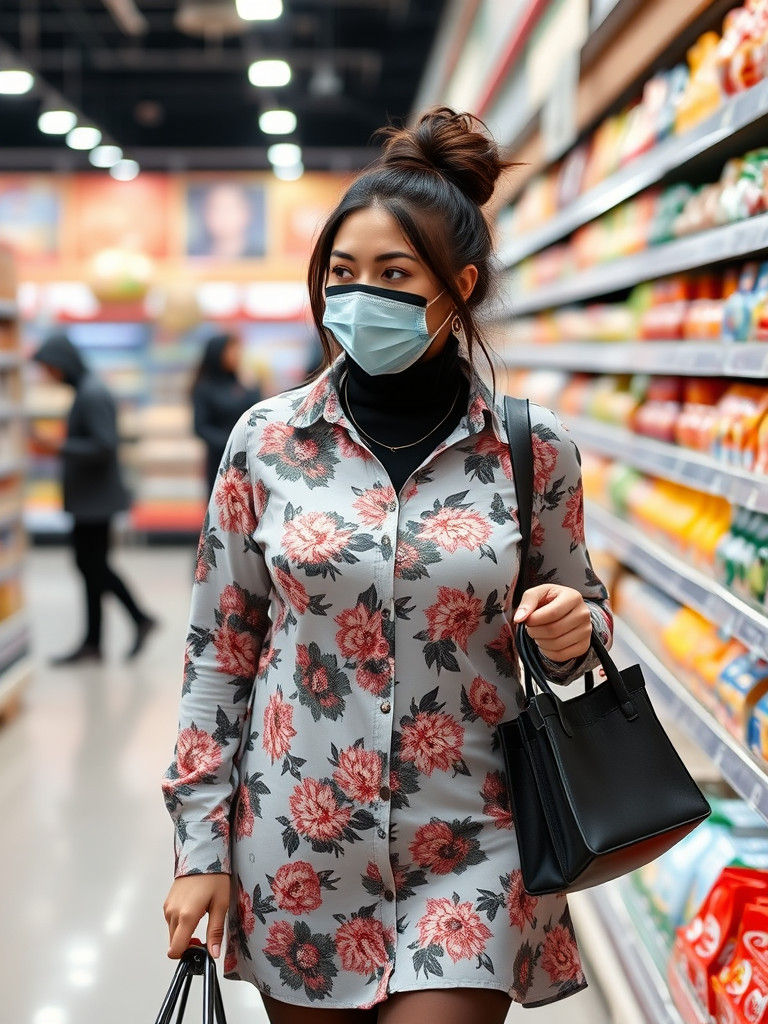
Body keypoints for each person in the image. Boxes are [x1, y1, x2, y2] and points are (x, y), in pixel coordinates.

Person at [161, 108, 614, 1024]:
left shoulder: (532, 449)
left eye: (395, 275)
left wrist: (574, 626)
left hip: (475, 837)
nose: (361, 295)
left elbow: (585, 615)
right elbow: (220, 655)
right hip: (299, 840)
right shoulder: (267, 443)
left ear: (460, 287)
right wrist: (200, 852)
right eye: (343, 273)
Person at [31, 330, 157, 664]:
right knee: (88, 566)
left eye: (49, 367)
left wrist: (56, 446)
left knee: (92, 564)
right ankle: (93, 643)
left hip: (95, 501)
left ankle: (140, 618)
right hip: (89, 499)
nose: (48, 375)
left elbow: (105, 446)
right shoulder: (85, 391)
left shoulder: (92, 394)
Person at [190, 330, 263, 497]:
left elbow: (257, 412)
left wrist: (252, 387)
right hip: (220, 461)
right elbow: (200, 427)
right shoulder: (205, 387)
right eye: (231, 350)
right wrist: (231, 444)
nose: (237, 355)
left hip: (249, 459)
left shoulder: (244, 382)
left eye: (238, 350)